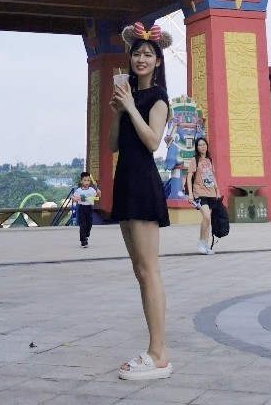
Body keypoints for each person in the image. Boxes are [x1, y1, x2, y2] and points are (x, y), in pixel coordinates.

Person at [110, 21, 173, 382]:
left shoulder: (158, 98)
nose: (142, 58)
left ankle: (159, 353)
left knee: (150, 270)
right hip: (125, 182)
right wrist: (118, 111)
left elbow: (152, 142)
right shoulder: (127, 95)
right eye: (137, 53)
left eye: (148, 54)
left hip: (145, 184)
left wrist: (132, 107)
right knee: (139, 270)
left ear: (158, 61)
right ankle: (155, 349)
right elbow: (112, 145)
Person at [186, 136, 221, 254]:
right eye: (200, 145)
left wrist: (217, 190)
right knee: (206, 216)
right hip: (199, 193)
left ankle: (205, 245)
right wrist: (190, 194)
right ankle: (201, 242)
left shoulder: (209, 160)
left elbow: (212, 176)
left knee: (208, 219)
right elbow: (189, 177)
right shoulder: (194, 160)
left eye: (204, 144)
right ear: (197, 147)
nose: (202, 147)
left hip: (211, 193)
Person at [72, 172, 100, 248]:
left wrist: (98, 191)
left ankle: (86, 235)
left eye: (88, 180)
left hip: (89, 208)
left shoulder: (91, 190)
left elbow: (98, 195)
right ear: (81, 181)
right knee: (83, 225)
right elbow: (73, 198)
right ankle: (83, 241)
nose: (87, 182)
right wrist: (76, 198)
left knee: (89, 224)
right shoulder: (79, 190)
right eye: (85, 180)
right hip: (82, 208)